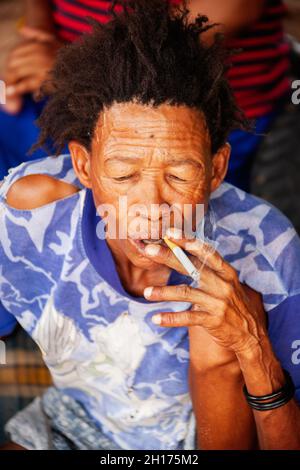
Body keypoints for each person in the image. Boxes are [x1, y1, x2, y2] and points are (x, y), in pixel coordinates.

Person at [0, 0, 300, 450]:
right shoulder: (33, 217)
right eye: (123, 175)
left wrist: (251, 348)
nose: (151, 205)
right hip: (72, 424)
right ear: (84, 165)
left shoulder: (265, 251)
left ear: (218, 170)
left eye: (180, 175)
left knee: (216, 340)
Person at [0, 0, 291, 192]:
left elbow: (236, 4)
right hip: (58, 86)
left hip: (202, 119)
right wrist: (38, 32)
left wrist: (72, 67)